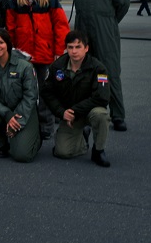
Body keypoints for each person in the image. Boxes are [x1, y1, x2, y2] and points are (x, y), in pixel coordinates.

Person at [69, 0, 130, 131]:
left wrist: (109, 22)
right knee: (83, 71)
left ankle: (118, 115)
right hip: (82, 29)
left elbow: (123, 4)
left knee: (110, 71)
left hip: (105, 30)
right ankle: (86, 112)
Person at [5, 0, 70, 140]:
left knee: (45, 91)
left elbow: (61, 27)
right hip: (23, 57)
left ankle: (46, 127)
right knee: (25, 92)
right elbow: (10, 29)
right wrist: (11, 52)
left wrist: (58, 51)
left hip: (45, 55)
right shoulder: (16, 1)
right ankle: (26, 124)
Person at [40, 30, 111, 167]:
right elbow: (47, 92)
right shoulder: (57, 66)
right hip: (69, 115)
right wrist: (62, 112)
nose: (74, 51)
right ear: (66, 48)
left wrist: (74, 110)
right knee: (62, 153)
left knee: (101, 115)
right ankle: (83, 139)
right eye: (70, 47)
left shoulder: (98, 68)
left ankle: (98, 150)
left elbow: (102, 98)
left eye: (78, 47)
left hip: (89, 111)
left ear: (86, 48)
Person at [0, 28, 41, 163]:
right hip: (2, 110)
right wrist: (7, 115)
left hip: (24, 111)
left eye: (1, 42)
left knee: (22, 156)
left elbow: (30, 96)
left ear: (8, 44)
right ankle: (1, 144)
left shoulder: (24, 65)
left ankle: (34, 139)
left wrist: (16, 121)